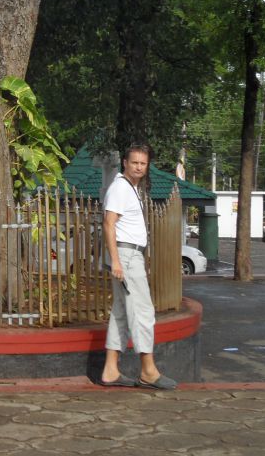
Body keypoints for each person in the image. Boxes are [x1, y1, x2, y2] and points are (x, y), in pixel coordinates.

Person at [98, 144, 177, 389]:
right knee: (143, 313)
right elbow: (109, 224)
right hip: (127, 256)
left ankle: (110, 370)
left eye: (143, 163)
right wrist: (118, 262)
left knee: (121, 313)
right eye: (135, 163)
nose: (139, 167)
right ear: (125, 162)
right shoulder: (120, 188)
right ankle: (148, 371)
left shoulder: (129, 188)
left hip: (129, 255)